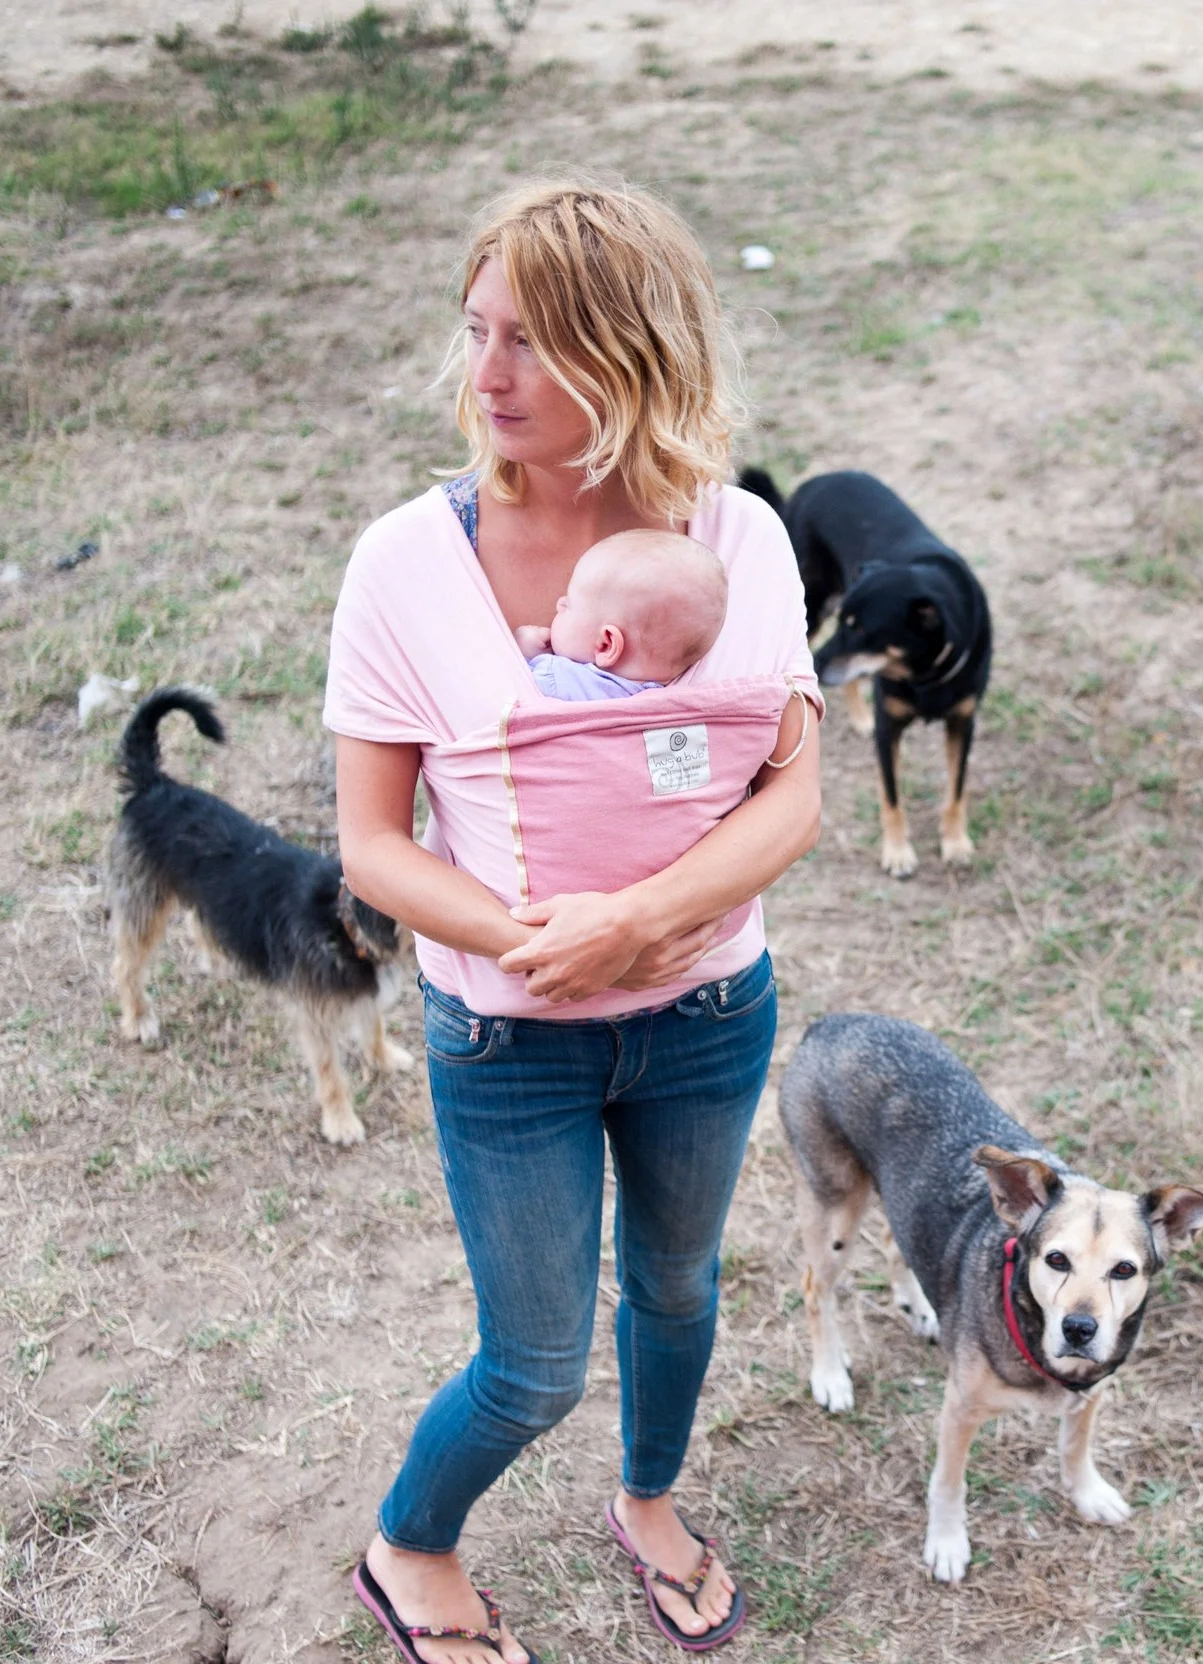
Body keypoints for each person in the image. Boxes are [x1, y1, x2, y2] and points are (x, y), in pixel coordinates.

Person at [326, 179, 820, 1664]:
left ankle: (651, 1500)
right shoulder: (406, 564)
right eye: (478, 333)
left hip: (708, 1019)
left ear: (633, 350)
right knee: (533, 1364)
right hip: (507, 1035)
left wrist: (649, 922)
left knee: (677, 1290)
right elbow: (368, 843)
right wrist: (545, 940)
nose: (487, 377)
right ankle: (408, 1546)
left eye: (535, 344)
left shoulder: (733, 540)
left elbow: (793, 796)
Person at [512, 526, 729, 702]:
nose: (559, 603)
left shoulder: (554, 678)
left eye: (569, 604)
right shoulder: (672, 700)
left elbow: (503, 685)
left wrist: (526, 650)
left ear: (606, 644)